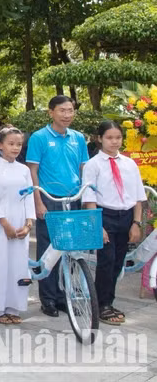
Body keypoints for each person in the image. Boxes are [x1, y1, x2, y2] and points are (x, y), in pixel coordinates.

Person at [25, 95, 89, 317]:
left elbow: (84, 169)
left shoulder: (78, 138)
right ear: (51, 112)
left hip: (73, 198)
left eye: (70, 110)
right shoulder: (39, 137)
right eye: (62, 110)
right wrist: (38, 202)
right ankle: (48, 299)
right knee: (49, 249)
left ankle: (64, 297)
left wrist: (85, 199)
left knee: (70, 249)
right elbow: (32, 171)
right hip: (49, 199)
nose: (67, 115)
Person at [82, 121, 145, 325]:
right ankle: (101, 305)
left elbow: (138, 196)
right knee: (106, 262)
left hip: (126, 216)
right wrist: (97, 225)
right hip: (104, 216)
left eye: (118, 137)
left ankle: (107, 301)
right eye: (109, 138)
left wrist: (136, 223)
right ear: (100, 139)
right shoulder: (93, 165)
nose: (114, 142)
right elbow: (89, 198)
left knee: (118, 262)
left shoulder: (129, 164)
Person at [0, 127, 35, 325]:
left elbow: (29, 196)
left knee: (18, 265)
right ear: (0, 145)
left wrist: (28, 223)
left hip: (21, 222)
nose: (15, 148)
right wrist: (4, 223)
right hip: (0, 224)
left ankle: (14, 307)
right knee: (0, 264)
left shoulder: (24, 170)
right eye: (11, 144)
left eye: (19, 144)